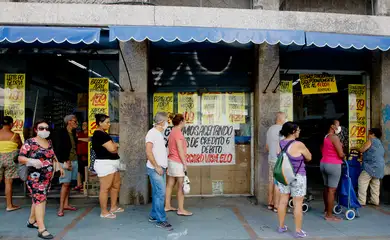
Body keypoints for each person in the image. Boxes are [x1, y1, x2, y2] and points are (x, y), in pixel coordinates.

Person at [18, 120, 64, 239]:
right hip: (34, 177)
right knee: (40, 200)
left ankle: (32, 220)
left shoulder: (48, 142)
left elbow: (52, 155)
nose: (44, 130)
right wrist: (31, 161)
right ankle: (41, 228)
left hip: (47, 177)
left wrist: (59, 166)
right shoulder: (30, 142)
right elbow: (20, 158)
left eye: (47, 128)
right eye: (41, 128)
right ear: (35, 130)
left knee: (38, 199)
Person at [277, 122, 312, 239]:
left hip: (284, 176)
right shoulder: (299, 144)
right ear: (292, 132)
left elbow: (278, 155)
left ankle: (281, 226)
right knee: (298, 203)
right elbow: (309, 157)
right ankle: (297, 231)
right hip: (298, 176)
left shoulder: (281, 143)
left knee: (283, 201)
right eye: (298, 130)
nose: (299, 131)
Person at [92, 114, 123, 219]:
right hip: (105, 163)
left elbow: (114, 146)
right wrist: (115, 145)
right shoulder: (99, 134)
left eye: (109, 122)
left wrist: (114, 145)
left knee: (116, 185)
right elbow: (113, 149)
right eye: (107, 122)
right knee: (105, 188)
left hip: (112, 163)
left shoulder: (104, 134)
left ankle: (113, 207)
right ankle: (104, 212)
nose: (109, 125)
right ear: (100, 123)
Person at [146, 112, 173, 230]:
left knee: (157, 193)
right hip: (155, 169)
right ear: (162, 122)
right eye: (167, 121)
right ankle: (161, 220)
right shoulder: (152, 133)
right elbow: (148, 151)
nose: (168, 123)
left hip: (160, 168)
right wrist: (156, 166)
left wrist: (163, 166)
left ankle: (153, 215)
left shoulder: (158, 133)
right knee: (161, 193)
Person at [165, 114, 193, 216]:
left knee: (170, 184)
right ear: (181, 121)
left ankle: (167, 205)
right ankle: (181, 209)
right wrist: (184, 163)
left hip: (171, 160)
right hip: (177, 162)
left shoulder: (172, 131)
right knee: (181, 186)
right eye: (184, 120)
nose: (185, 122)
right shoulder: (178, 133)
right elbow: (180, 149)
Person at [53, 115, 79, 217]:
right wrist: (65, 161)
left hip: (74, 159)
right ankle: (61, 207)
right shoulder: (61, 133)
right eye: (75, 121)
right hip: (66, 161)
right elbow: (58, 148)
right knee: (65, 184)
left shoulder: (73, 133)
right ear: (69, 122)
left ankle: (66, 204)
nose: (76, 123)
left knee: (69, 184)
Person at [320, 120, 345, 222]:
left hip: (324, 163)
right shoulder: (334, 137)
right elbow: (340, 154)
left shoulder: (326, 137)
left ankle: (326, 209)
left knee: (326, 188)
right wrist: (344, 155)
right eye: (337, 125)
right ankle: (329, 215)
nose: (339, 127)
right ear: (332, 126)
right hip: (334, 165)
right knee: (332, 190)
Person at [357, 128, 385, 206]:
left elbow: (362, 149)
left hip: (371, 166)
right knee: (375, 183)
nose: (367, 135)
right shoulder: (380, 143)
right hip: (380, 167)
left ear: (373, 134)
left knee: (362, 181)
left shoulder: (371, 140)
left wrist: (358, 148)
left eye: (369, 133)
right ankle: (375, 201)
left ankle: (361, 201)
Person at [0, 116, 22, 212]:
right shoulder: (15, 135)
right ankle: (9, 205)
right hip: (10, 161)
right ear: (11, 124)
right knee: (8, 183)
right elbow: (21, 147)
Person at [266, 112, 286, 212]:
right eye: (285, 118)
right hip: (278, 160)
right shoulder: (281, 130)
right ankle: (276, 205)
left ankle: (270, 203)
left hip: (270, 158)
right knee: (278, 183)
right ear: (281, 119)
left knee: (271, 181)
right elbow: (283, 146)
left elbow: (267, 147)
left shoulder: (270, 129)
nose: (285, 120)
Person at [76, 121, 89, 191]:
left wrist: (79, 139)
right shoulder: (80, 133)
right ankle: (79, 184)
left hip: (87, 154)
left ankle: (85, 184)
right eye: (82, 124)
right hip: (79, 154)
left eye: (85, 125)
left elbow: (89, 139)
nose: (83, 126)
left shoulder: (89, 133)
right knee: (79, 170)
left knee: (86, 169)